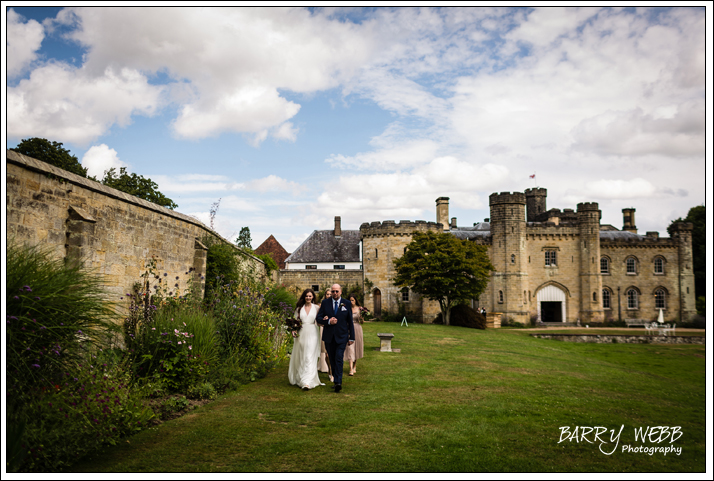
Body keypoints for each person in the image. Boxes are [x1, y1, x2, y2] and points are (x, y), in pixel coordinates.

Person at [315, 283, 355, 393]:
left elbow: (350, 321)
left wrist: (352, 337)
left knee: (338, 358)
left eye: (337, 291)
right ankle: (335, 380)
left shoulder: (346, 303)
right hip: (329, 336)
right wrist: (328, 321)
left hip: (342, 336)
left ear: (341, 292)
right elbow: (318, 318)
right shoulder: (325, 303)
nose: (335, 293)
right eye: (333, 291)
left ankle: (338, 382)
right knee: (332, 359)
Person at [287, 289, 323, 391]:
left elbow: (319, 321)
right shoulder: (299, 309)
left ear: (313, 297)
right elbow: (295, 322)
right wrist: (293, 330)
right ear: (304, 297)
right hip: (302, 334)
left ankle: (307, 382)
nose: (308, 298)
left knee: (309, 356)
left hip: (312, 333)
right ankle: (301, 377)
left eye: (310, 296)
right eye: (306, 296)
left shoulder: (316, 308)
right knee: (302, 356)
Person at [344, 295, 364, 376]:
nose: (351, 302)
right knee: (350, 348)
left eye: (352, 300)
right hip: (349, 329)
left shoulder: (360, 309)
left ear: (355, 300)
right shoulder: (347, 308)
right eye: (350, 300)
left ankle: (355, 366)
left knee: (356, 347)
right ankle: (351, 368)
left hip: (357, 328)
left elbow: (362, 322)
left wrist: (362, 318)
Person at [318, 289, 333, 381]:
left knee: (331, 352)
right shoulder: (322, 305)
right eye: (327, 294)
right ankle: (329, 370)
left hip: (333, 329)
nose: (329, 295)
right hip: (324, 329)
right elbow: (318, 318)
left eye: (330, 294)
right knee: (326, 353)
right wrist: (324, 320)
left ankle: (332, 371)